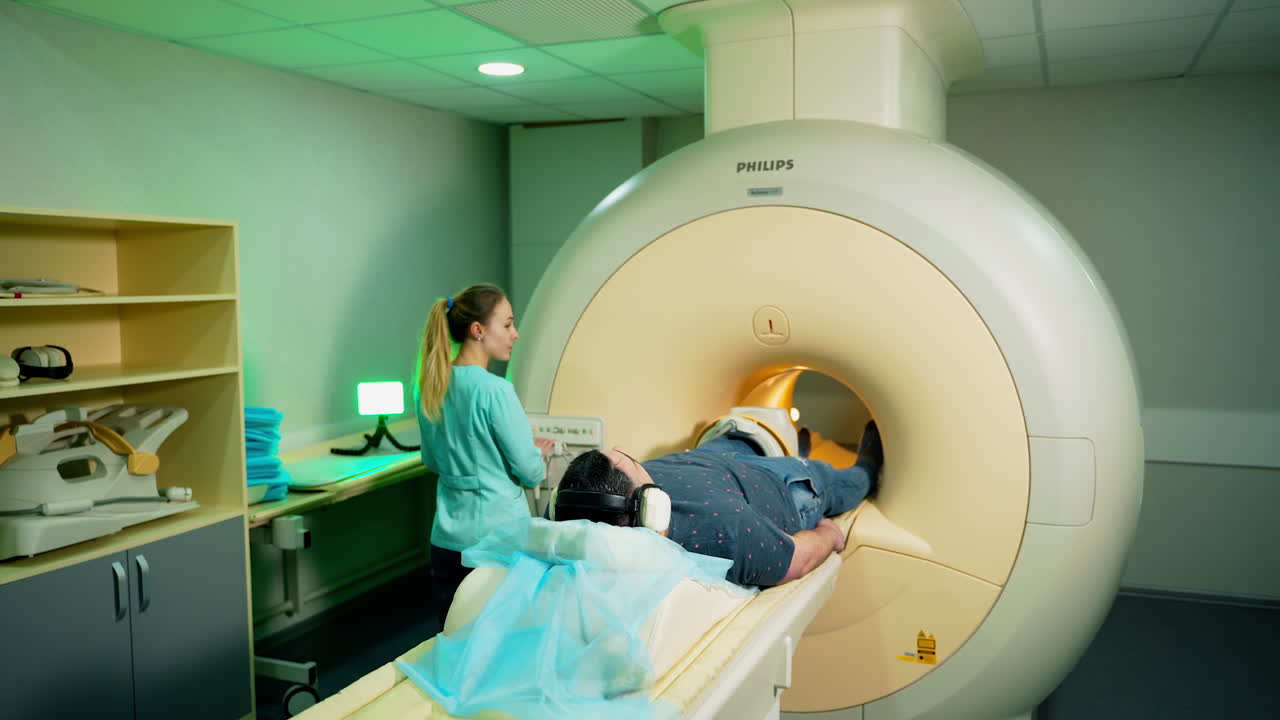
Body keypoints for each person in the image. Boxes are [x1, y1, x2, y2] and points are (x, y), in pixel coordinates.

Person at [553, 421, 884, 588]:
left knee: (737, 437)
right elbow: (797, 561)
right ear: (651, 506)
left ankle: (788, 442)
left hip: (711, 460)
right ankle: (866, 467)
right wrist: (828, 533)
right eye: (629, 461)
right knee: (845, 483)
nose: (625, 449)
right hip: (782, 486)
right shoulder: (722, 529)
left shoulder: (580, 514)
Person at [415, 283, 555, 624]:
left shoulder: (430, 386)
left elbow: (432, 460)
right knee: (499, 636)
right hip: (496, 539)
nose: (515, 334)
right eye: (507, 324)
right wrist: (537, 455)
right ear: (478, 331)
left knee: (454, 633)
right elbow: (530, 473)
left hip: (447, 540)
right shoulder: (495, 391)